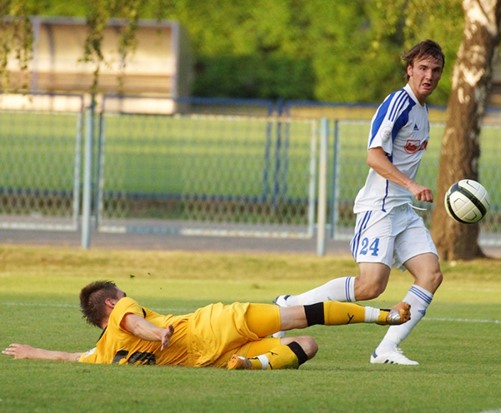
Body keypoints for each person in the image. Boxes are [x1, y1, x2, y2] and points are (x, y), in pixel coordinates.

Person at [274, 40, 445, 366]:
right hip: (378, 207)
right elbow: (373, 155)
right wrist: (410, 185)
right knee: (370, 287)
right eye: (422, 68)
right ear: (409, 70)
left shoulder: (423, 110)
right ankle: (289, 305)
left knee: (431, 275)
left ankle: (386, 350)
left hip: (402, 211)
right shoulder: (399, 104)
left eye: (436, 70)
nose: (429, 76)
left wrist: (408, 192)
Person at [2, 280, 411, 370]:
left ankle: (257, 365)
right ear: (111, 301)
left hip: (211, 359)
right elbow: (134, 323)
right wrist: (159, 332)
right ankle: (384, 317)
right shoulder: (122, 314)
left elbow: (74, 355)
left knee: (306, 344)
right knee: (303, 319)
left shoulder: (102, 354)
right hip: (213, 326)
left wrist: (35, 352)